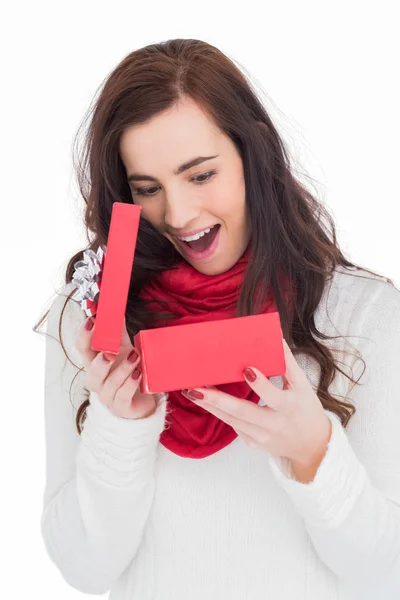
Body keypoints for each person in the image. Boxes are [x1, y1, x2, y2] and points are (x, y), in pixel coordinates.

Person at [33, 38, 400, 599]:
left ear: (252, 156)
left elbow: (383, 570)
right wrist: (120, 429)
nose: (177, 215)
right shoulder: (87, 322)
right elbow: (85, 571)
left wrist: (312, 451)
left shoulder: (363, 313)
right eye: (147, 189)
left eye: (201, 175)